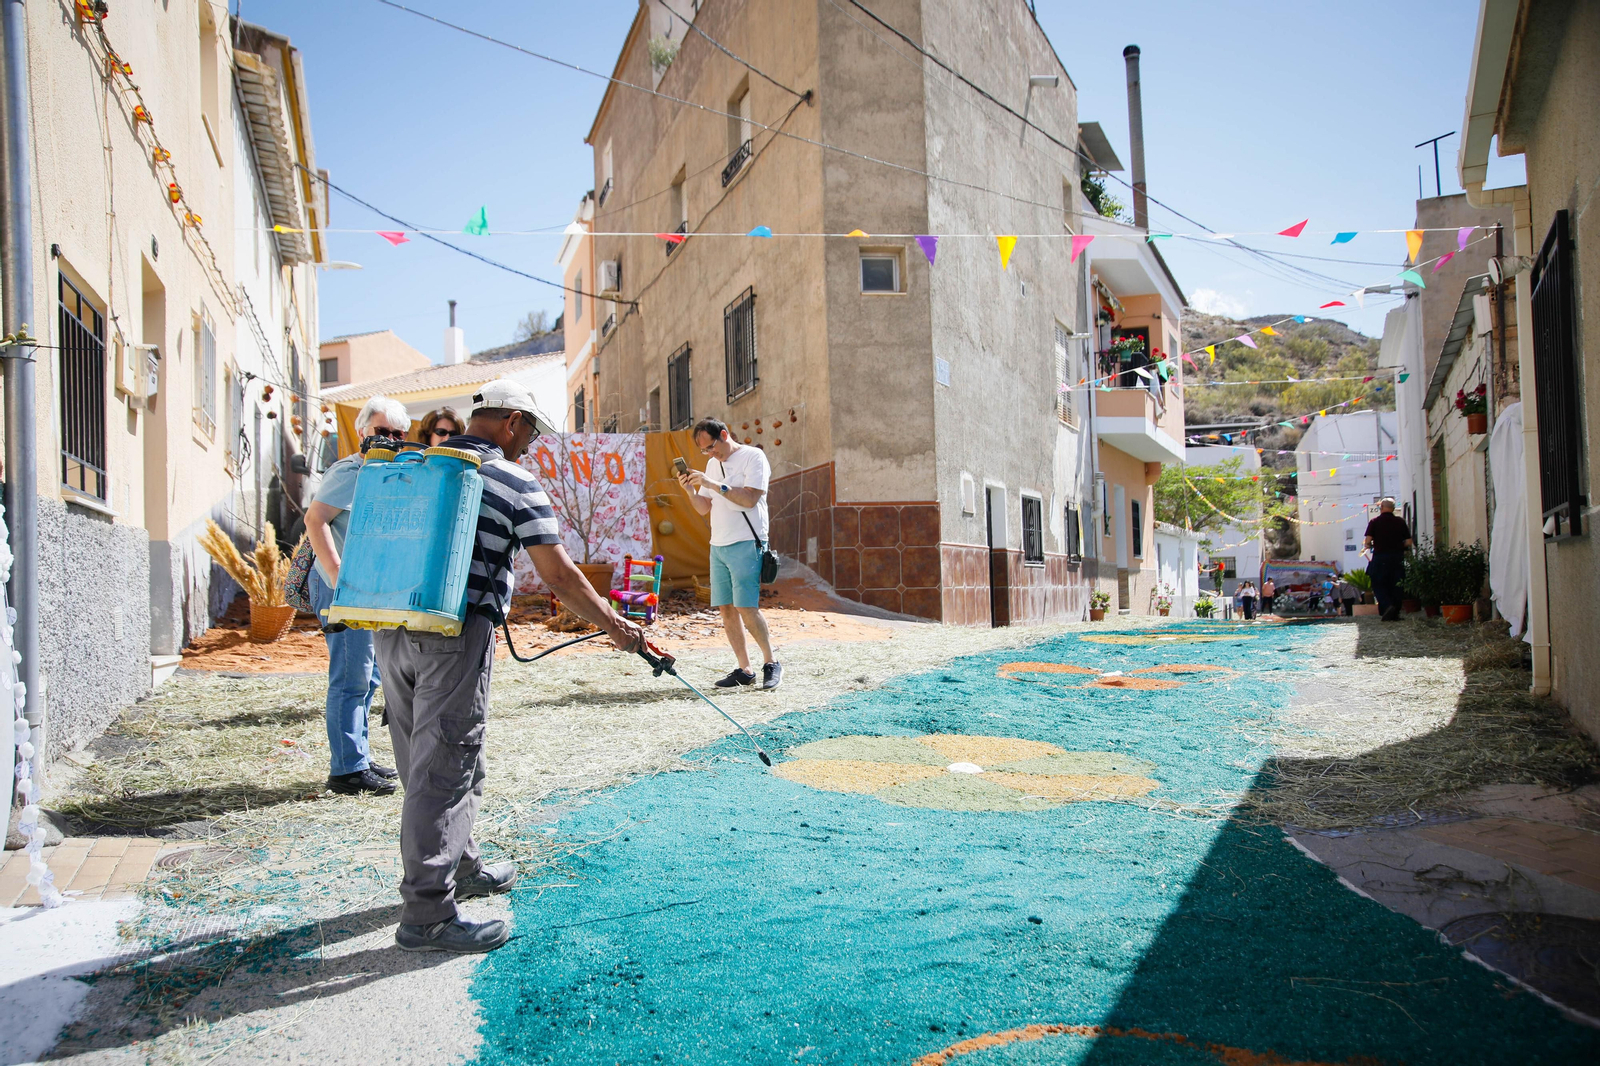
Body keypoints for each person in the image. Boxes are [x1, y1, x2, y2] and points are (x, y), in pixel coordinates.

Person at [374, 380, 644, 954]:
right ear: (513, 422)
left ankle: (461, 864)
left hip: (388, 629)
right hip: (451, 634)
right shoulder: (515, 481)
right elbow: (561, 577)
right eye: (533, 432)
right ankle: (427, 912)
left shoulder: (419, 463)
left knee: (428, 759)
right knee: (443, 767)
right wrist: (619, 631)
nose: (533, 446)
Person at [305, 396, 412, 797]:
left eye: (396, 434)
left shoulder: (392, 474)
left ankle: (358, 757)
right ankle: (346, 770)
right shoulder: (350, 470)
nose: (388, 439)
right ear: (363, 431)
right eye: (380, 431)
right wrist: (338, 580)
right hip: (341, 588)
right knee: (351, 676)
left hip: (368, 589)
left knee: (368, 676)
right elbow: (315, 520)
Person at [676, 417, 782, 691]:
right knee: (726, 609)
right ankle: (744, 669)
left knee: (746, 607)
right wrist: (689, 490)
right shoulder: (713, 463)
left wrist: (713, 484)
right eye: (705, 451)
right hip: (718, 544)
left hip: (747, 541)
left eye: (711, 447)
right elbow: (703, 508)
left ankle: (771, 662)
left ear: (724, 434)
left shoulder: (753, 457)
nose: (710, 454)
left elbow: (749, 499)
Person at [1363, 498, 1414, 621]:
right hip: (1397, 557)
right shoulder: (1400, 522)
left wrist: (1371, 545)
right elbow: (1408, 541)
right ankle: (1395, 613)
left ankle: (1387, 606)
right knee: (1396, 585)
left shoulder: (1374, 522)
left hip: (1380, 557)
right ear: (1393, 508)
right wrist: (1397, 545)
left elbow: (1368, 541)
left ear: (1381, 508)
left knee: (1379, 584)